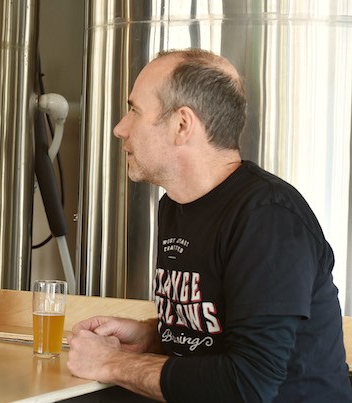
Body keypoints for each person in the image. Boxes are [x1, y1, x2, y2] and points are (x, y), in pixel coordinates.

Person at [66, 48, 351, 402]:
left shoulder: (269, 219)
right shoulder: (175, 204)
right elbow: (219, 329)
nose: (120, 128)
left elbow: (246, 385)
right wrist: (150, 336)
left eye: (135, 111)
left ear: (182, 125)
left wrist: (111, 362)